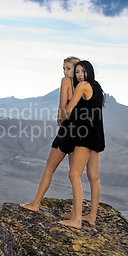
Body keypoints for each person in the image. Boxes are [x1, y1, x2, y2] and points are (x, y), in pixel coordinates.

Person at [19, 56, 81, 212]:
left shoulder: (65, 81)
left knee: (49, 168)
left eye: (68, 68)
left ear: (75, 69)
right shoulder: (84, 85)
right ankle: (76, 213)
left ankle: (35, 204)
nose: (65, 72)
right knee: (74, 174)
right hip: (80, 131)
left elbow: (62, 104)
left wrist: (59, 118)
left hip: (67, 130)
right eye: (64, 68)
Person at [58, 60, 105, 229]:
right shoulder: (96, 86)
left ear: (89, 72)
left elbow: (69, 108)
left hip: (85, 135)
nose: (79, 75)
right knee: (93, 176)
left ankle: (76, 220)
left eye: (83, 71)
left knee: (74, 174)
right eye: (77, 71)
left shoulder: (82, 86)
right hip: (97, 135)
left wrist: (61, 120)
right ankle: (91, 216)